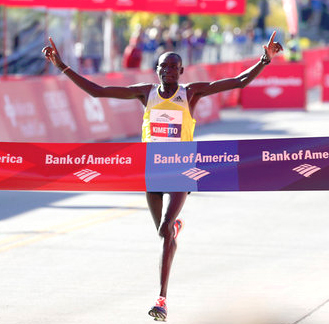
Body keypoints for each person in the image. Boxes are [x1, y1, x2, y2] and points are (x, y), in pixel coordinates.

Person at [42, 31, 282, 322]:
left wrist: (263, 60)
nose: (167, 71)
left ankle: (161, 299)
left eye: (173, 67)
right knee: (162, 233)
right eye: (162, 67)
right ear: (156, 71)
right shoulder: (147, 93)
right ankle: (173, 232)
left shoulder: (190, 92)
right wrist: (63, 67)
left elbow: (238, 82)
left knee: (166, 227)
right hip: (153, 170)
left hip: (181, 170)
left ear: (181, 71)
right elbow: (99, 91)